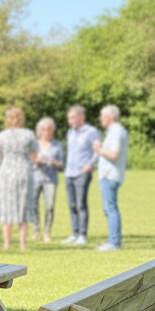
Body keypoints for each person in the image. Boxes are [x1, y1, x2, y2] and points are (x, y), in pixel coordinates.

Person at [0, 106, 37, 251]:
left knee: (7, 207)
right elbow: (34, 155)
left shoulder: (2, 135)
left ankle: (7, 244)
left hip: (7, 172)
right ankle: (22, 244)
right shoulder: (29, 134)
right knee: (23, 207)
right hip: (24, 171)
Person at [61, 104, 100, 247]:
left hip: (82, 173)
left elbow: (97, 150)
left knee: (80, 204)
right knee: (72, 205)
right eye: (68, 118)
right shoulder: (70, 132)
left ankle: (82, 235)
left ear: (81, 117)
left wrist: (90, 164)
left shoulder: (92, 131)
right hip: (69, 173)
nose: (69, 121)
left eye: (72, 118)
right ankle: (74, 233)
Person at [92, 104, 129, 252]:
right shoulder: (117, 131)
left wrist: (99, 149)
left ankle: (114, 242)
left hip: (110, 175)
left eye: (102, 116)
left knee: (110, 209)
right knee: (110, 208)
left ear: (110, 117)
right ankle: (113, 241)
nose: (100, 119)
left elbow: (113, 155)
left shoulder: (115, 132)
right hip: (111, 174)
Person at [30, 117, 63, 243]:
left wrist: (55, 163)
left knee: (49, 206)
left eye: (50, 129)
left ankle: (47, 232)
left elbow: (62, 165)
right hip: (34, 177)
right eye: (44, 129)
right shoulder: (33, 144)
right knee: (33, 204)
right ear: (39, 130)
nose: (47, 131)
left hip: (50, 178)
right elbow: (27, 159)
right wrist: (35, 160)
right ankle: (36, 231)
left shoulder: (57, 145)